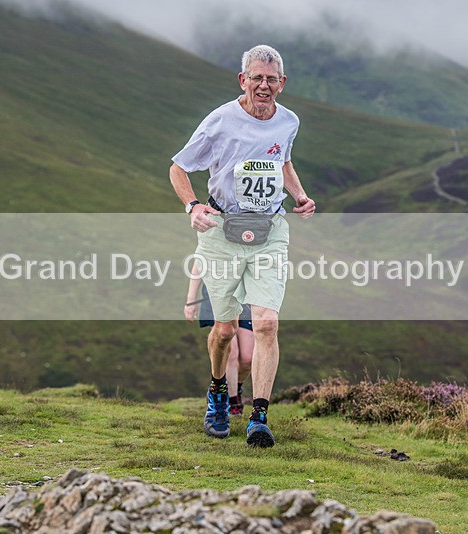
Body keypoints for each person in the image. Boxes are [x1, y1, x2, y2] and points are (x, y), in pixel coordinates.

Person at [170, 44, 315, 447]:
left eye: (271, 79)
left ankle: (259, 417)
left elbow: (282, 161)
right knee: (224, 329)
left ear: (281, 84)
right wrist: (192, 205)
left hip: (270, 228)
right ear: (243, 80)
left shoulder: (288, 122)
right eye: (256, 78)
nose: (263, 86)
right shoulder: (220, 120)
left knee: (267, 322)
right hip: (221, 229)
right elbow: (179, 166)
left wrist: (299, 196)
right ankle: (218, 390)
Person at [184, 262, 253, 416]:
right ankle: (232, 403)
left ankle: (232, 387)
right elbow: (199, 260)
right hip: (217, 292)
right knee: (231, 352)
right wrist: (191, 299)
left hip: (246, 294)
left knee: (247, 359)